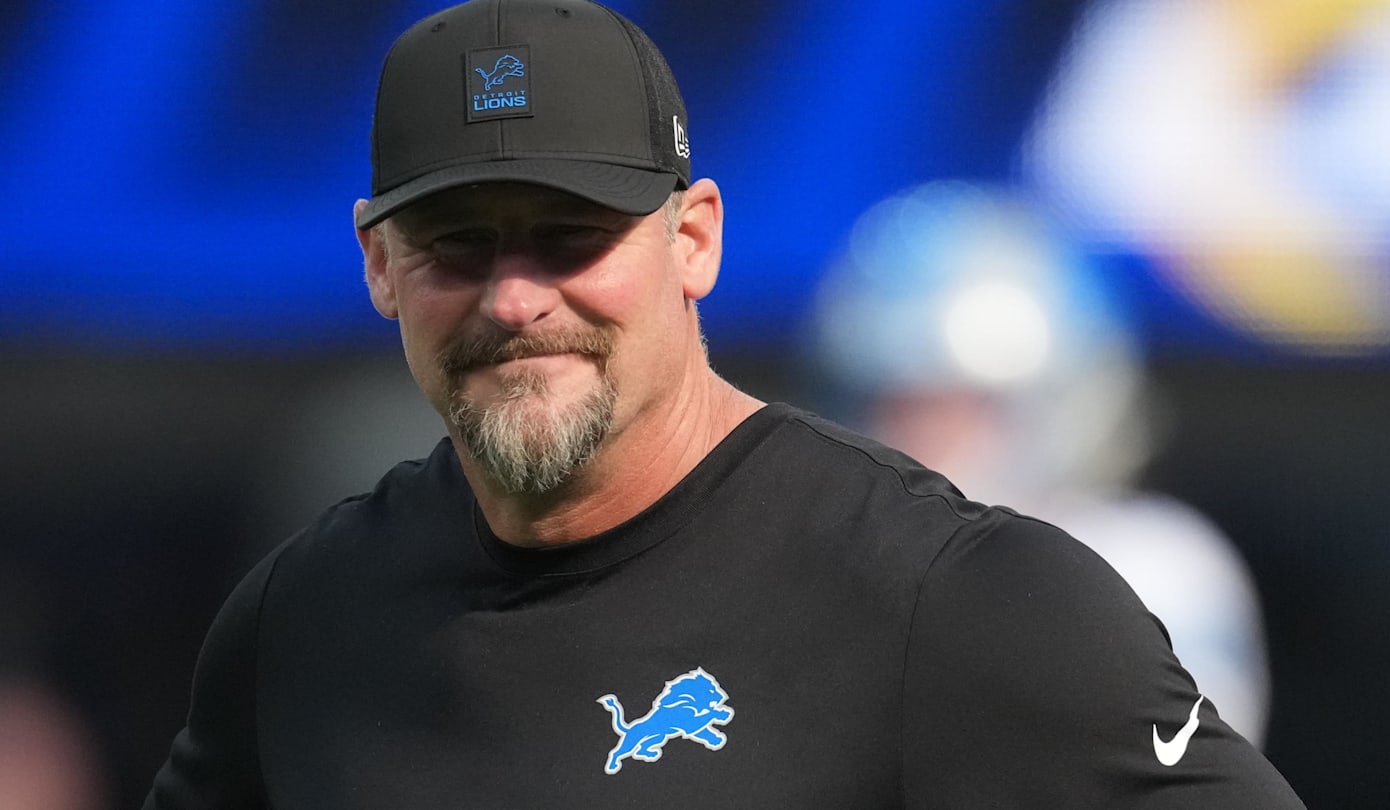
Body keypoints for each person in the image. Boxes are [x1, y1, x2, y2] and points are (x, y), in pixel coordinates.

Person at [142, 0, 1307, 806]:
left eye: (569, 237)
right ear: (378, 263)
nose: (514, 297)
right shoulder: (305, 622)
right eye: (457, 245)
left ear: (693, 239)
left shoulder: (961, 601)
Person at [810, 180, 1272, 746]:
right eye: (899, 405)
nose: (923, 439)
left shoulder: (1156, 570)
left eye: (959, 408)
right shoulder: (822, 575)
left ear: (1057, 401)